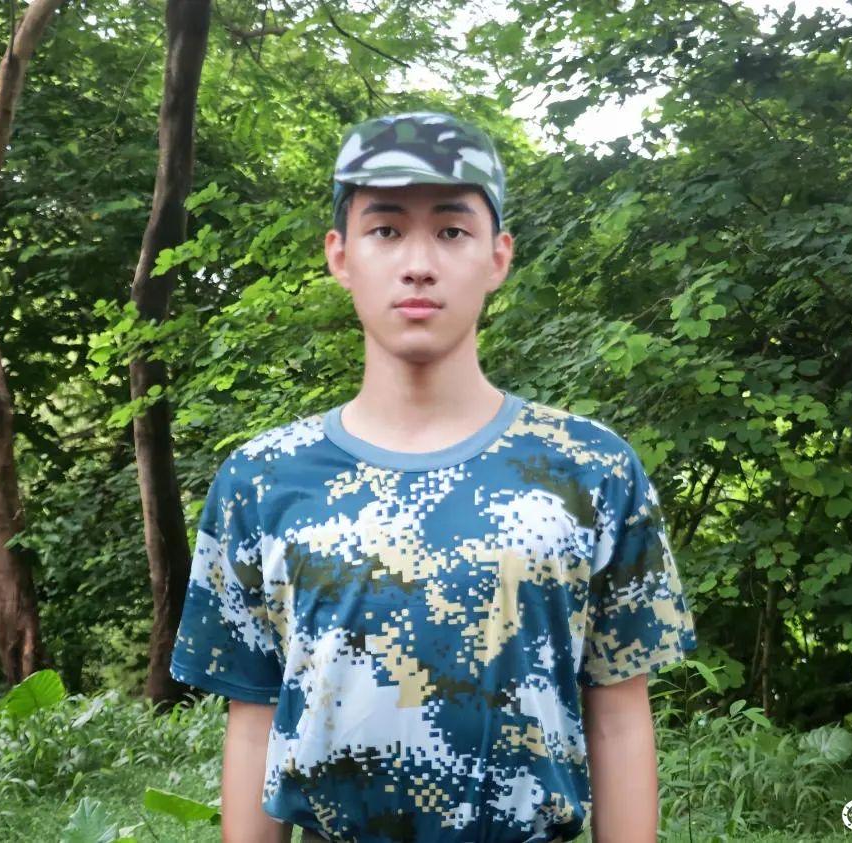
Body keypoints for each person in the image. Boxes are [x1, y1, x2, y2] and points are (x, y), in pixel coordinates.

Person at [170, 111, 699, 843]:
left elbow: (618, 717)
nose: (418, 263)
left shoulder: (590, 468)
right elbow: (254, 718)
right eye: (386, 230)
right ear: (339, 255)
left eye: (451, 231)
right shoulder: (262, 479)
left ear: (498, 257)